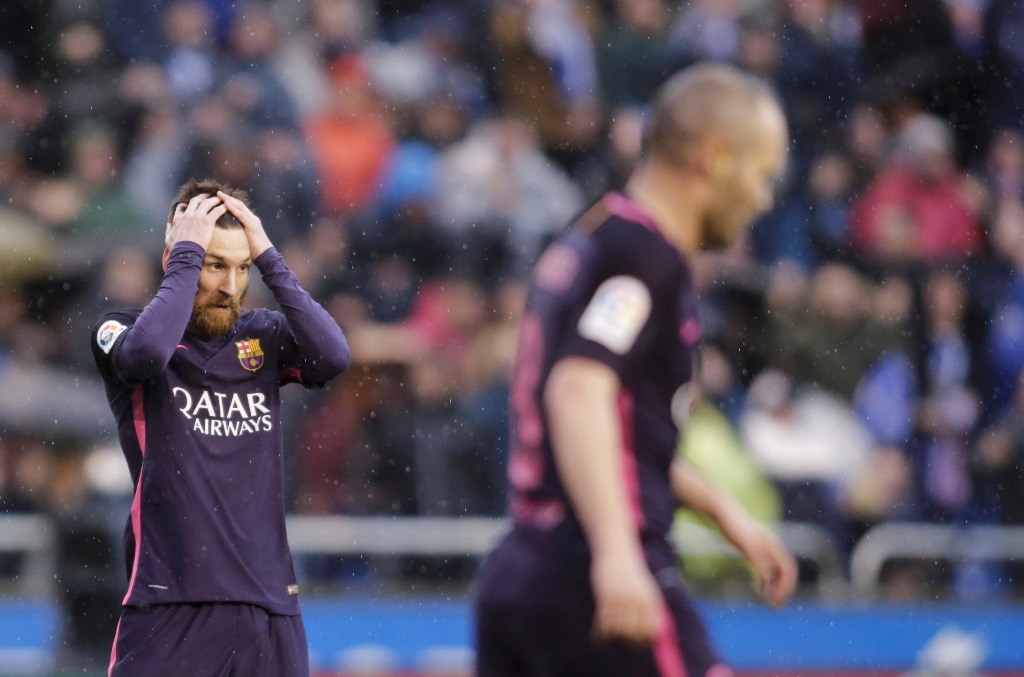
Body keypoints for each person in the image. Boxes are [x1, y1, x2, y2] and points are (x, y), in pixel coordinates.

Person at [474, 63, 799, 677]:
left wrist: (724, 513)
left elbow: (619, 433)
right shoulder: (645, 259)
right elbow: (578, 390)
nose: (763, 199)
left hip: (524, 570)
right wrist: (616, 554)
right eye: (761, 175)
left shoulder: (594, 234)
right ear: (715, 158)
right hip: (592, 577)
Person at [90, 178, 351, 676]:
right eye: (214, 265)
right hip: (170, 600)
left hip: (269, 606)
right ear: (176, 259)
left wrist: (269, 256)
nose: (231, 287)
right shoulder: (120, 329)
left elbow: (333, 356)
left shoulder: (263, 336)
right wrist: (186, 257)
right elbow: (146, 356)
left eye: (242, 267)